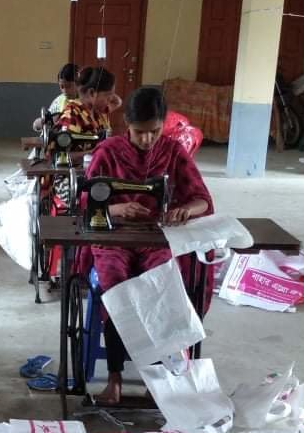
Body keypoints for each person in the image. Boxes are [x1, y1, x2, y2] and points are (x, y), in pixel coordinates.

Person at [85, 86, 214, 405]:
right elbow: (85, 201)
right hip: (113, 237)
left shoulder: (173, 151)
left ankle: (157, 376)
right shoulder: (108, 152)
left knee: (161, 281)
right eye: (139, 132)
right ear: (126, 125)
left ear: (163, 125)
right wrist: (117, 208)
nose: (147, 139)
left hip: (156, 235)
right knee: (116, 284)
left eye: (154, 131)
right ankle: (114, 378)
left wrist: (186, 210)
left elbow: (202, 199)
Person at [32, 63, 79, 131]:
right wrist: (40, 122)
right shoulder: (59, 101)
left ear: (78, 83)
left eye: (68, 86)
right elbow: (43, 122)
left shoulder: (85, 100)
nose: (65, 90)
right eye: (62, 87)